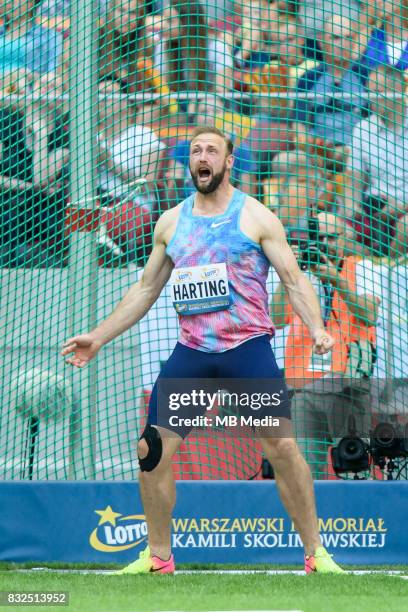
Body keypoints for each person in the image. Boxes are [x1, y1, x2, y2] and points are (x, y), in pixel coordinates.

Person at [61, 126, 344, 575]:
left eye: (212, 149)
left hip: (246, 350)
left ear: (229, 161)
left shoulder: (255, 216)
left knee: (284, 449)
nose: (202, 156)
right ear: (189, 162)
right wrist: (98, 336)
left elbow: (293, 278)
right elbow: (145, 289)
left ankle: (316, 555)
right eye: (196, 150)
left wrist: (316, 328)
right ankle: (158, 558)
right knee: (150, 451)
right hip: (193, 353)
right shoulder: (171, 222)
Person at [270, 212, 380, 478]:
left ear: (347, 237)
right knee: (305, 472)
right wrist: (289, 274)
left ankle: (357, 520)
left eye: (331, 237)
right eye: (318, 238)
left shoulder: (361, 267)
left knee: (354, 469)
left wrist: (337, 280)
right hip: (303, 387)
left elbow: (368, 314)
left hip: (347, 385)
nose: (324, 243)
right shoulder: (297, 275)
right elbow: (276, 318)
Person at [345, 64, 408, 257]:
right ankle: (372, 265)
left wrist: (402, 205)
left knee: (406, 226)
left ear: (397, 91)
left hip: (403, 211)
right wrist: (351, 203)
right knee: (334, 230)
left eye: (378, 92)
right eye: (369, 92)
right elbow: (353, 176)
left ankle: (387, 270)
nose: (371, 98)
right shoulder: (363, 128)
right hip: (372, 210)